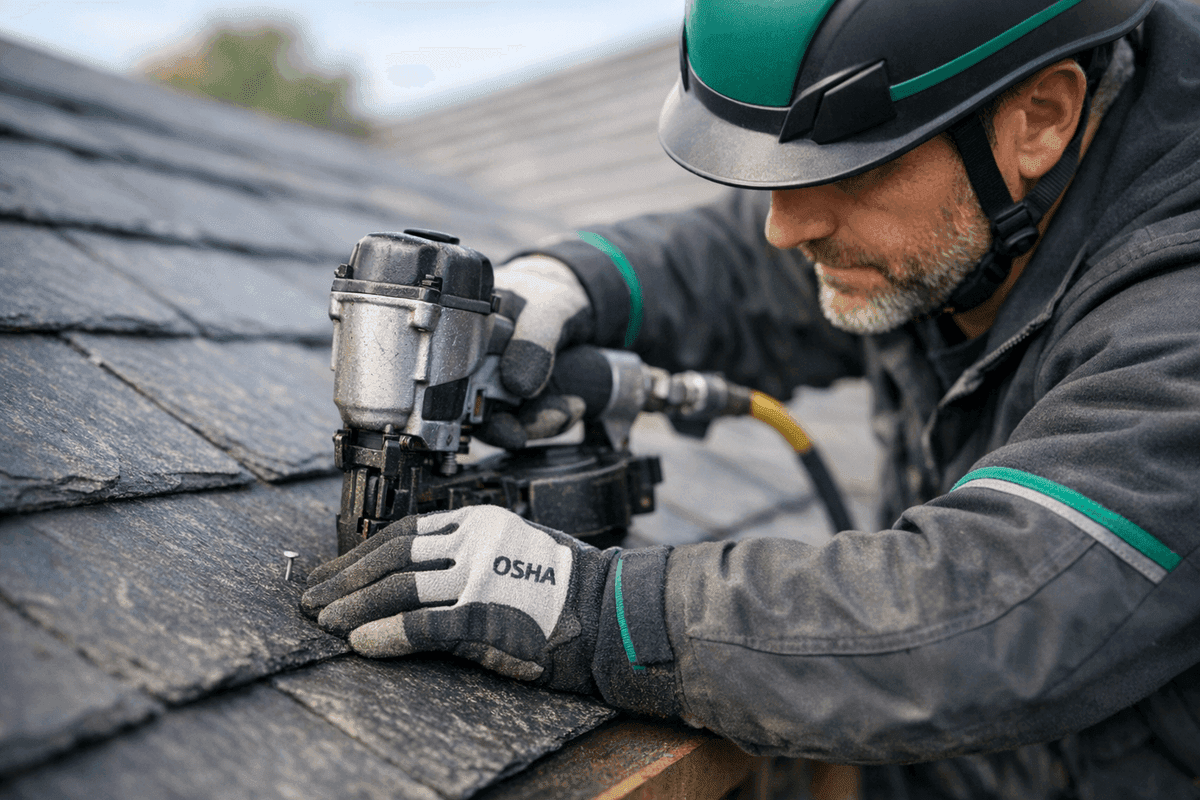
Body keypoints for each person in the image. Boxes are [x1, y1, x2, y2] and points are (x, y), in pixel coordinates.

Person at [302, 1, 1200, 797]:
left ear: (1040, 118)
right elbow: (748, 266)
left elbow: (999, 612)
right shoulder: (962, 202)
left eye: (846, 172)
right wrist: (575, 284)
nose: (786, 225)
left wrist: (596, 610)